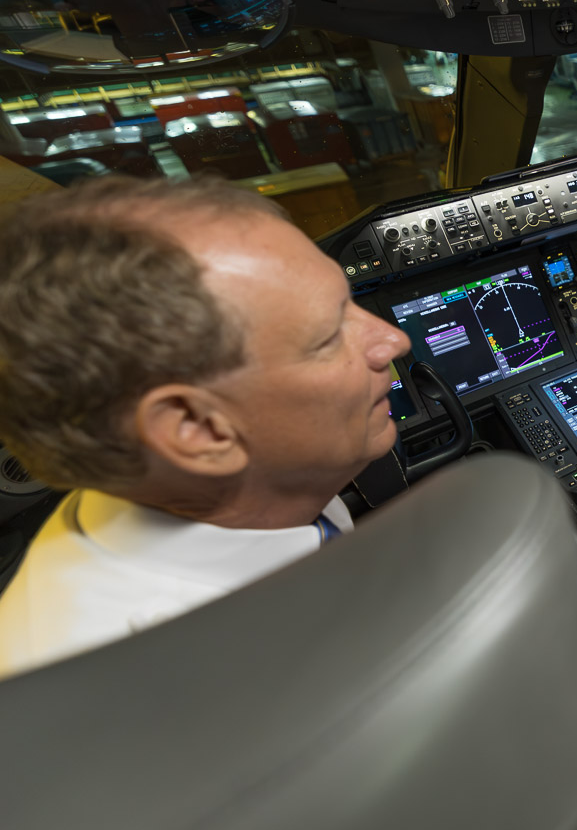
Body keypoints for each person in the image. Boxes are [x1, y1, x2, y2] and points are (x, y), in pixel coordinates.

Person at [0, 175, 411, 678]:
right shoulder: (145, 683)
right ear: (197, 430)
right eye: (327, 337)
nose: (393, 340)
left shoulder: (269, 493)